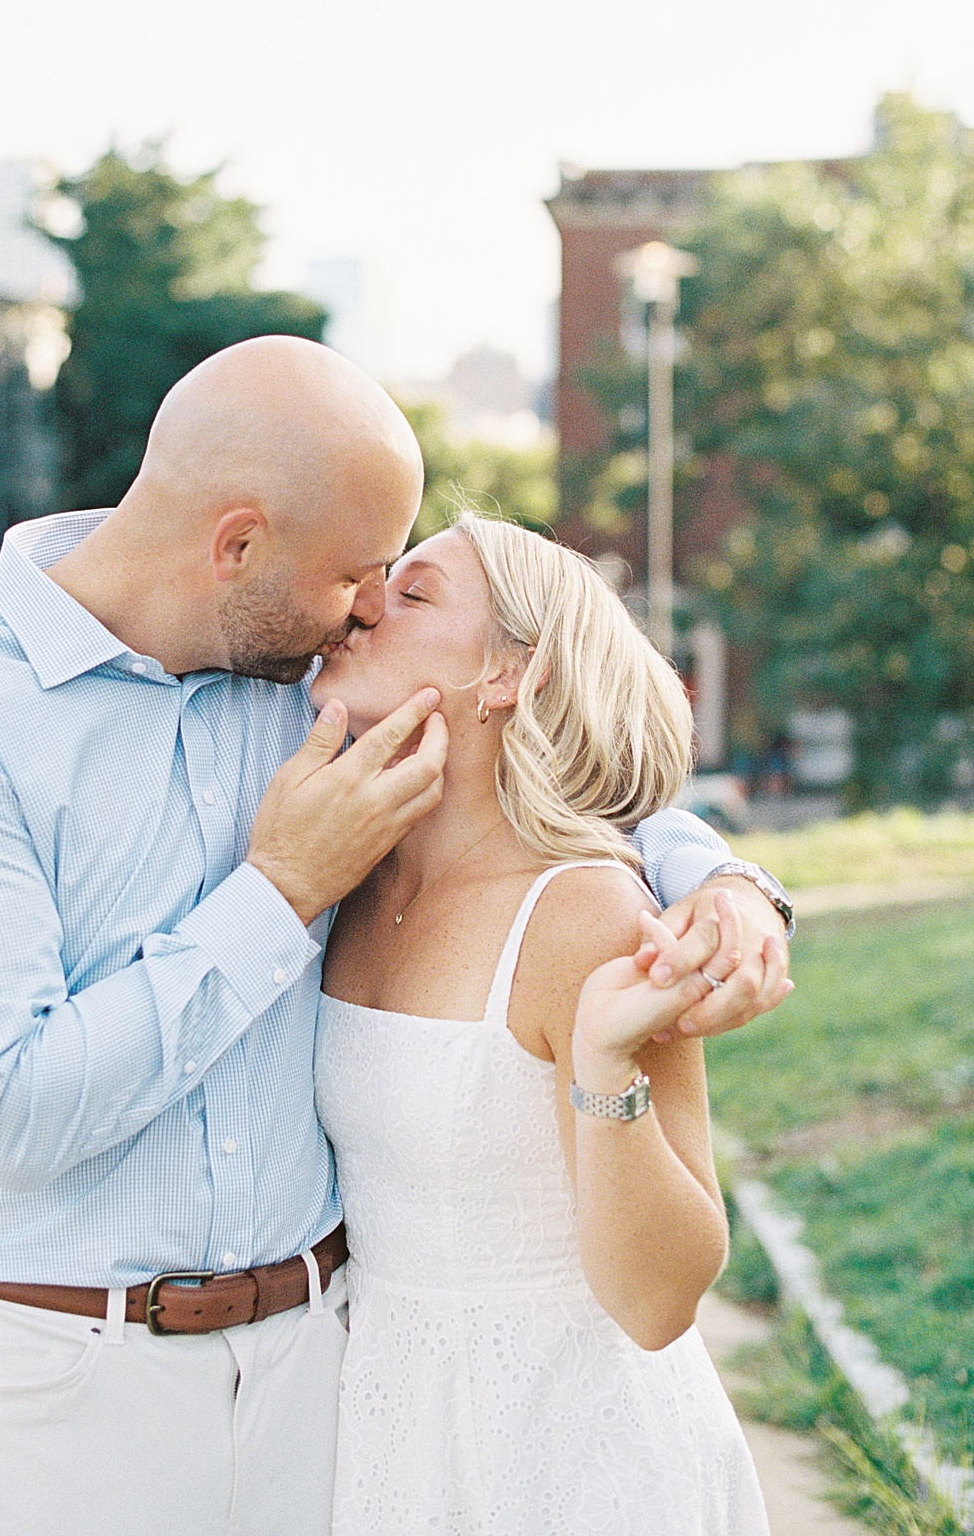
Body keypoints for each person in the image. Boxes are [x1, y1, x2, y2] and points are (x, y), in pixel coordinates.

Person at [0, 337, 791, 1536]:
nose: (366, 608)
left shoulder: (296, 675)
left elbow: (553, 768)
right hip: (54, 1387)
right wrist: (278, 889)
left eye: (397, 584)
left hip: (320, 1380)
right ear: (237, 546)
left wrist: (727, 878)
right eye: (358, 575)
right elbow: (12, 1111)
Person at [313, 513, 773, 1533]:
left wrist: (607, 1060)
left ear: (508, 676)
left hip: (577, 1450)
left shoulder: (588, 915)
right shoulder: (344, 879)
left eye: (416, 592)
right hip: (390, 1432)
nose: (364, 602)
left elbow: (661, 1301)